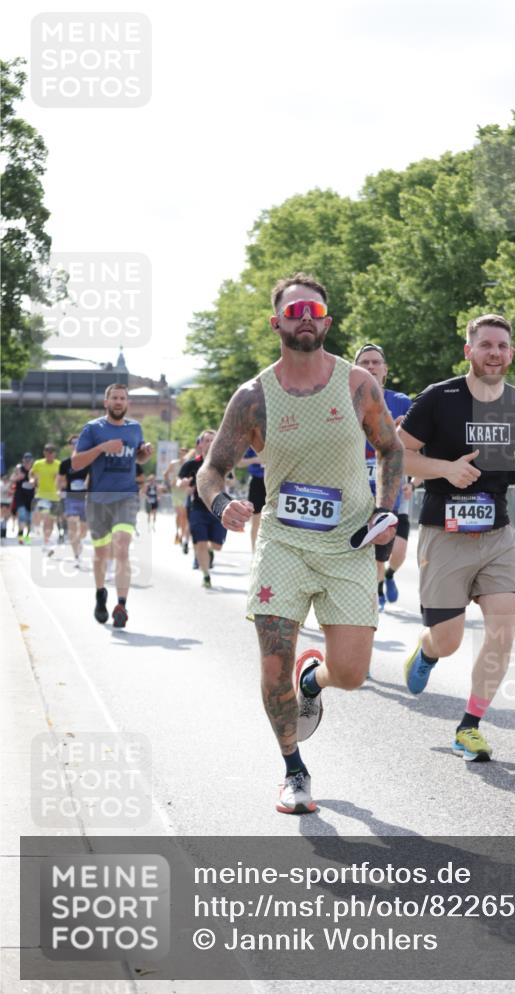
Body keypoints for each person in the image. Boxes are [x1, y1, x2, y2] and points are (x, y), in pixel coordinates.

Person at [197, 272, 403, 814]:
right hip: (283, 544)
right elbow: (211, 471)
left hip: (350, 544)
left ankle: (314, 679)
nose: (305, 318)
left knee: (354, 674)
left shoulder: (358, 384)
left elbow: (391, 450)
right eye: (294, 312)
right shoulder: (253, 397)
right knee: (271, 666)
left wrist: (387, 509)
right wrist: (223, 505)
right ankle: (294, 769)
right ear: (277, 323)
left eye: (314, 310)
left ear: (327, 322)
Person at [398, 313, 515, 761]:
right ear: (469, 351)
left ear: (511, 353)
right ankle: (427, 652)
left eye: (502, 346)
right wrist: (445, 468)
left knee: (503, 629)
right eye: (485, 345)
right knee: (447, 640)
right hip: (444, 531)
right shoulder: (438, 398)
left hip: (497, 532)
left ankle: (469, 726)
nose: (494, 353)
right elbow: (399, 454)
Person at [72, 383, 152, 628]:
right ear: (106, 402)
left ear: (127, 403)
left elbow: (136, 455)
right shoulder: (93, 429)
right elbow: (76, 463)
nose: (119, 402)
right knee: (100, 554)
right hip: (97, 499)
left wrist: (144, 454)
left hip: (126, 497)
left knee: (122, 547)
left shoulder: (135, 428)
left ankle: (121, 605)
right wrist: (101, 448)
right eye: (114, 398)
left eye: (123, 398)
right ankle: (100, 596)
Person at [353, 344, 413, 611]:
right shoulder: (343, 402)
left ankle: (387, 577)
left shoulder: (401, 402)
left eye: (376, 362)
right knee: (369, 554)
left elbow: (416, 448)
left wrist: (411, 481)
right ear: (354, 370)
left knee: (396, 553)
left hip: (393, 492)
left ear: (385, 370)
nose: (371, 367)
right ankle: (372, 595)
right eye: (364, 362)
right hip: (356, 494)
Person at [178, 431, 226, 588]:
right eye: (207, 440)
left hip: (218, 507)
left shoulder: (223, 463)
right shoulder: (191, 465)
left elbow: (232, 481)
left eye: (214, 440)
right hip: (198, 507)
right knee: (200, 543)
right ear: (200, 444)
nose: (210, 443)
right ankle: (206, 575)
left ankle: (210, 552)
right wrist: (184, 483)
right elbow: (179, 482)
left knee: (217, 545)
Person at [58, 435, 91, 569]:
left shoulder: (89, 462)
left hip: (85, 499)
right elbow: (60, 479)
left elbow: (93, 477)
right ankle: (76, 556)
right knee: (72, 527)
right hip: (71, 499)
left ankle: (78, 542)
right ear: (70, 445)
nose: (76, 444)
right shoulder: (65, 463)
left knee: (83, 531)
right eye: (73, 443)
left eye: (79, 442)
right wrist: (60, 489)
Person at [30, 443, 61, 557]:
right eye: (47, 453)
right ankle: (47, 543)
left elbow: (63, 478)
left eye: (51, 453)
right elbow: (31, 473)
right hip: (42, 496)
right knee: (47, 519)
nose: (49, 456)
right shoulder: (38, 463)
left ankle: (46, 542)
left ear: (54, 454)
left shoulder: (59, 465)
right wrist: (33, 479)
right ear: (44, 453)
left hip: (55, 497)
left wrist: (59, 483)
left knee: (51, 522)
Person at [235, 447, 266, 552]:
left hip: (277, 482)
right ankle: (255, 553)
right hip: (258, 482)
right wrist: (255, 459)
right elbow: (239, 463)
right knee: (256, 521)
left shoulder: (281, 436)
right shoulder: (253, 441)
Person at [164, 447, 190, 551]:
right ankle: (178, 531)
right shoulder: (173, 463)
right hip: (176, 491)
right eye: (181, 453)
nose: (182, 455)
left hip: (185, 491)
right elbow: (165, 474)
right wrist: (169, 484)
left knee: (184, 515)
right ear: (179, 454)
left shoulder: (189, 464)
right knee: (179, 514)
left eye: (184, 453)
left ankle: (182, 536)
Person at [12, 453, 35, 544]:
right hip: (20, 496)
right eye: (26, 461)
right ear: (23, 461)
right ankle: (20, 536)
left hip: (31, 498)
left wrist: (34, 481)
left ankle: (27, 536)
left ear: (32, 461)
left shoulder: (34, 471)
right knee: (22, 516)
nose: (27, 463)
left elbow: (38, 482)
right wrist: (18, 477)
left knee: (29, 519)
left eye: (29, 461)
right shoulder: (19, 469)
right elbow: (12, 479)